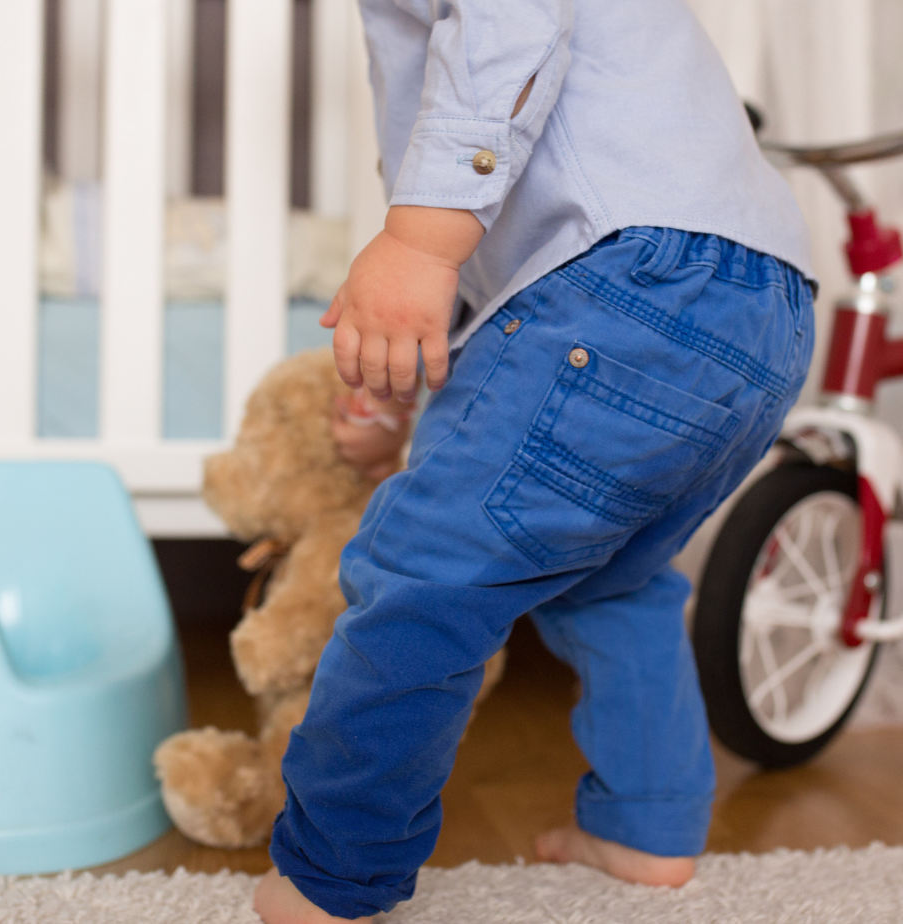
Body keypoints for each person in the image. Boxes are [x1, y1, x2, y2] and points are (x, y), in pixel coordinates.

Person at [254, 2, 817, 921]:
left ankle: (332, 874)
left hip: (625, 280)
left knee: (425, 575)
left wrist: (415, 243)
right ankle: (646, 826)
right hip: (767, 310)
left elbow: (506, 32)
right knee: (614, 581)